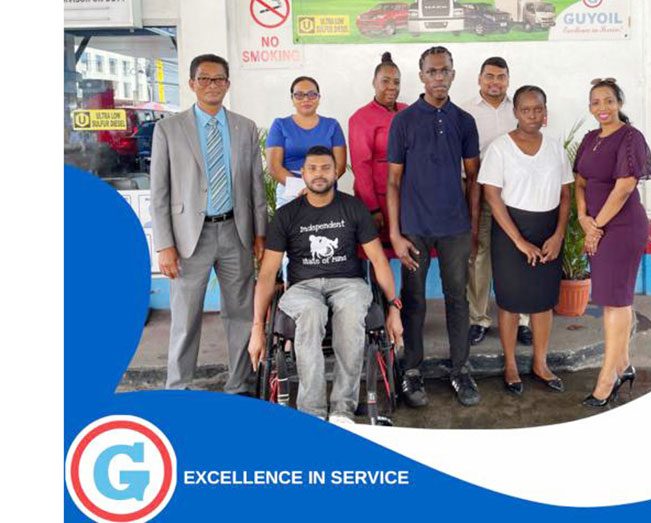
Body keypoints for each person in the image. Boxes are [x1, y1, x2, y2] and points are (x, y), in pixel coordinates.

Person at [247, 146, 403, 424]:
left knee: (354, 307)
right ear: (303, 173)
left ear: (336, 173)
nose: (319, 174)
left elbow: (378, 260)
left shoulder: (353, 207)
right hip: (303, 288)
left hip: (348, 283)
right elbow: (269, 273)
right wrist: (257, 327)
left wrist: (394, 308)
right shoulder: (286, 215)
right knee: (311, 313)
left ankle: (343, 410)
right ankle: (313, 412)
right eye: (313, 169)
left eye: (326, 168)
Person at [151, 54, 268, 394]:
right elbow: (159, 191)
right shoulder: (168, 129)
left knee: (240, 315)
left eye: (219, 79)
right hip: (189, 239)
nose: (212, 85)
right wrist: (164, 245)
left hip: (236, 233)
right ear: (191, 84)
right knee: (186, 319)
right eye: (204, 79)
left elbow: (256, 186)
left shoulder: (244, 128)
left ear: (228, 85)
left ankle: (239, 384)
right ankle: (179, 387)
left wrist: (260, 233)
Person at [387, 46, 482, 407]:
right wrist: (395, 234)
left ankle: (460, 369)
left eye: (444, 71)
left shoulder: (464, 121)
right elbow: (393, 182)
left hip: (455, 227)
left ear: (453, 74)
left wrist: (471, 228)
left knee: (457, 299)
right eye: (432, 71)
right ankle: (412, 371)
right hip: (414, 227)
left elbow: (473, 178)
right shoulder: (404, 121)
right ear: (422, 76)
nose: (439, 77)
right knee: (414, 301)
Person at [479, 86, 573, 396]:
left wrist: (558, 235)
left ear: (545, 111)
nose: (532, 115)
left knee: (543, 302)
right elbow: (492, 196)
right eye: (525, 109)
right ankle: (510, 365)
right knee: (510, 302)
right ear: (515, 112)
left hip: (547, 231)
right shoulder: (500, 148)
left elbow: (564, 193)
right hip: (510, 233)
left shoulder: (555, 148)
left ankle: (540, 363)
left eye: (537, 109)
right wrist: (519, 241)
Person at [573, 78, 651, 407]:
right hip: (596, 225)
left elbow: (623, 187)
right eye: (595, 102)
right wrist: (583, 219)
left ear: (619, 103)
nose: (602, 108)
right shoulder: (590, 138)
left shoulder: (630, 138)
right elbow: (580, 182)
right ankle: (622, 366)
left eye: (608, 101)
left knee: (616, 302)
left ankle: (607, 378)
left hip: (622, 228)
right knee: (615, 299)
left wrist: (596, 228)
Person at [462, 56, 533, 347]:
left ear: (508, 79)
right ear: (479, 79)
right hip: (477, 192)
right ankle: (478, 319)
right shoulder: (464, 113)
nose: (495, 82)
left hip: (517, 195)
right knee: (477, 255)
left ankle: (523, 320)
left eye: (500, 77)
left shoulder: (517, 111)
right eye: (489, 76)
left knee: (519, 255)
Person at [349, 52, 408, 245]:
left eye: (396, 82)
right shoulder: (360, 118)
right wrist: (372, 209)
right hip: (379, 201)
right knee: (379, 254)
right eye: (385, 81)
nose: (392, 87)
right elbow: (361, 167)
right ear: (374, 82)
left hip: (408, 198)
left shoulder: (409, 111)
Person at [267, 76, 347, 208]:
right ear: (292, 99)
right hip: (291, 191)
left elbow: (340, 166)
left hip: (325, 189)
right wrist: (305, 188)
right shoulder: (280, 125)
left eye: (311, 94)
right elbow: (274, 167)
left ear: (318, 98)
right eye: (299, 95)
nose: (306, 99)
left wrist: (317, 188)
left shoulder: (332, 125)